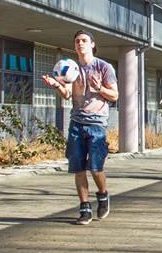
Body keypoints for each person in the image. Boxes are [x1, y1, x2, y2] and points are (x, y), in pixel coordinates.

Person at [42, 29, 119, 225]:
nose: (80, 43)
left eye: (84, 40)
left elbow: (114, 95)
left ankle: (103, 194)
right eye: (77, 41)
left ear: (92, 44)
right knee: (78, 167)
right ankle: (85, 208)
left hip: (97, 124)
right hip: (76, 122)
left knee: (95, 167)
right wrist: (56, 85)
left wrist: (99, 88)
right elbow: (67, 94)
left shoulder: (103, 67)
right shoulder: (71, 68)